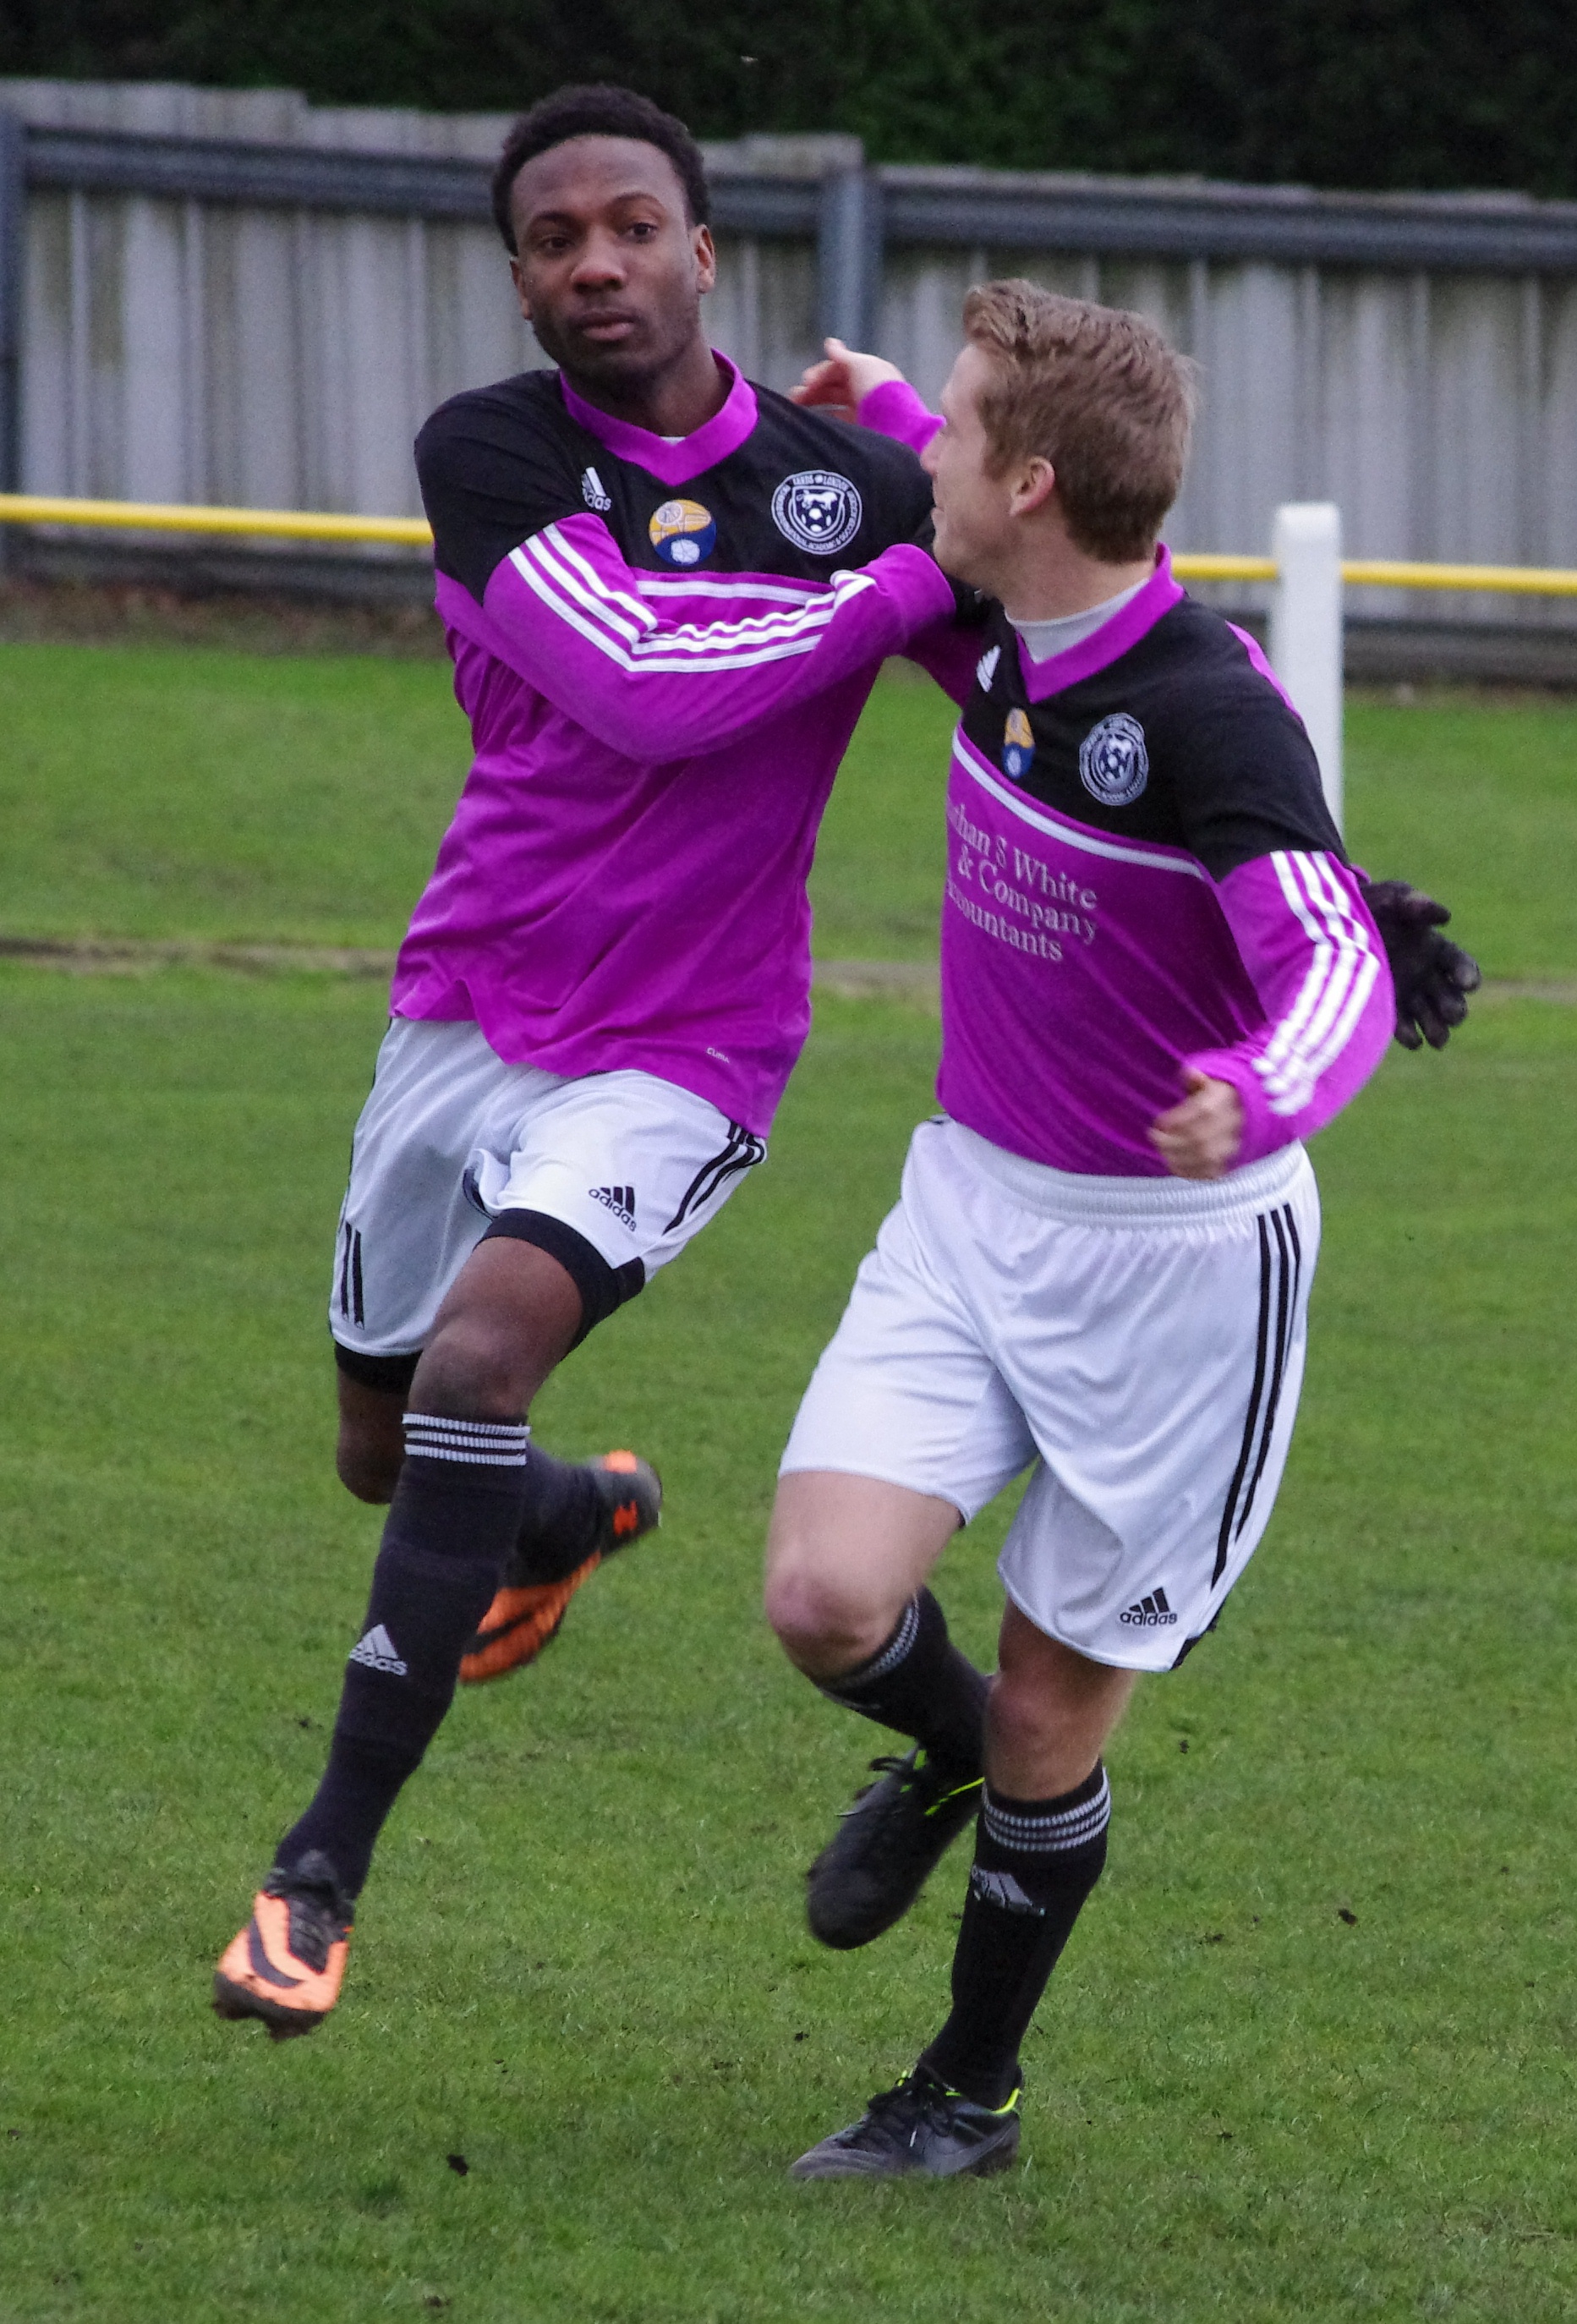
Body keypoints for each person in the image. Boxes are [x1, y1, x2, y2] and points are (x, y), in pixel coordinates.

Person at [212, 84, 964, 2039]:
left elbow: (1078, 637)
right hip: (464, 1013)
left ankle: (316, 1881)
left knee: (471, 1365)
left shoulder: (841, 477)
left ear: (706, 250)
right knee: (389, 1448)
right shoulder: (489, 452)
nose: (599, 263)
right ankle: (557, 1515)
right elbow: (636, 684)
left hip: (689, 1049)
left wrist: (916, 459)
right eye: (557, 241)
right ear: (524, 281)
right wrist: (905, 565)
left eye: (635, 225)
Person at [764, 286, 1477, 2179]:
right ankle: (940, 1745)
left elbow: (1333, 958)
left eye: (955, 430)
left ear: (1036, 483)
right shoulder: (1002, 620)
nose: (927, 457)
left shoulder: (1210, 721)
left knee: (1056, 1708)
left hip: (1178, 1279)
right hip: (969, 1207)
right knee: (826, 1597)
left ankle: (967, 2093)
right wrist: (890, 397)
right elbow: (955, 468)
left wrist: (1260, 1087)